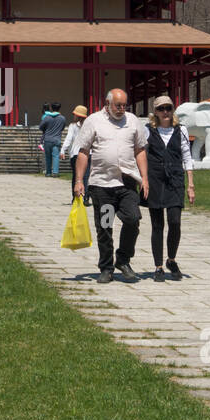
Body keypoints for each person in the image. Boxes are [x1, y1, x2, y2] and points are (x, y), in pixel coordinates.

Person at [73, 89, 149, 284]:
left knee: (132, 219)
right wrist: (79, 180)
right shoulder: (94, 121)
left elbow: (140, 150)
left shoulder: (133, 121)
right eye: (118, 105)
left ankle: (123, 259)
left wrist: (145, 178)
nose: (122, 109)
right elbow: (83, 151)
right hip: (103, 185)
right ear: (107, 104)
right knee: (105, 227)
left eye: (124, 105)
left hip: (127, 183)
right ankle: (106, 267)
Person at [145, 95, 195, 281]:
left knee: (175, 221)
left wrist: (190, 184)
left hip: (175, 180)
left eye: (168, 108)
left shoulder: (181, 130)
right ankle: (158, 266)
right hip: (155, 180)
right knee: (157, 224)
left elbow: (187, 156)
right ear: (155, 112)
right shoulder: (148, 131)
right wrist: (143, 179)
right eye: (161, 109)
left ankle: (171, 259)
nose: (165, 112)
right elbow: (140, 153)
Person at [60, 105, 91, 204]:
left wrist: (62, 150)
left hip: (76, 153)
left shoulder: (73, 126)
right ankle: (85, 197)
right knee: (86, 176)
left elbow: (68, 139)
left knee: (76, 176)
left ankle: (75, 197)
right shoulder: (90, 125)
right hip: (88, 153)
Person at [40, 101, 68, 177]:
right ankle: (55, 172)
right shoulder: (62, 118)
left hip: (48, 139)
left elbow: (41, 127)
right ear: (59, 108)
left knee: (48, 156)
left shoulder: (47, 117)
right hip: (57, 139)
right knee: (56, 156)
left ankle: (48, 172)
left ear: (51, 108)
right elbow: (62, 128)